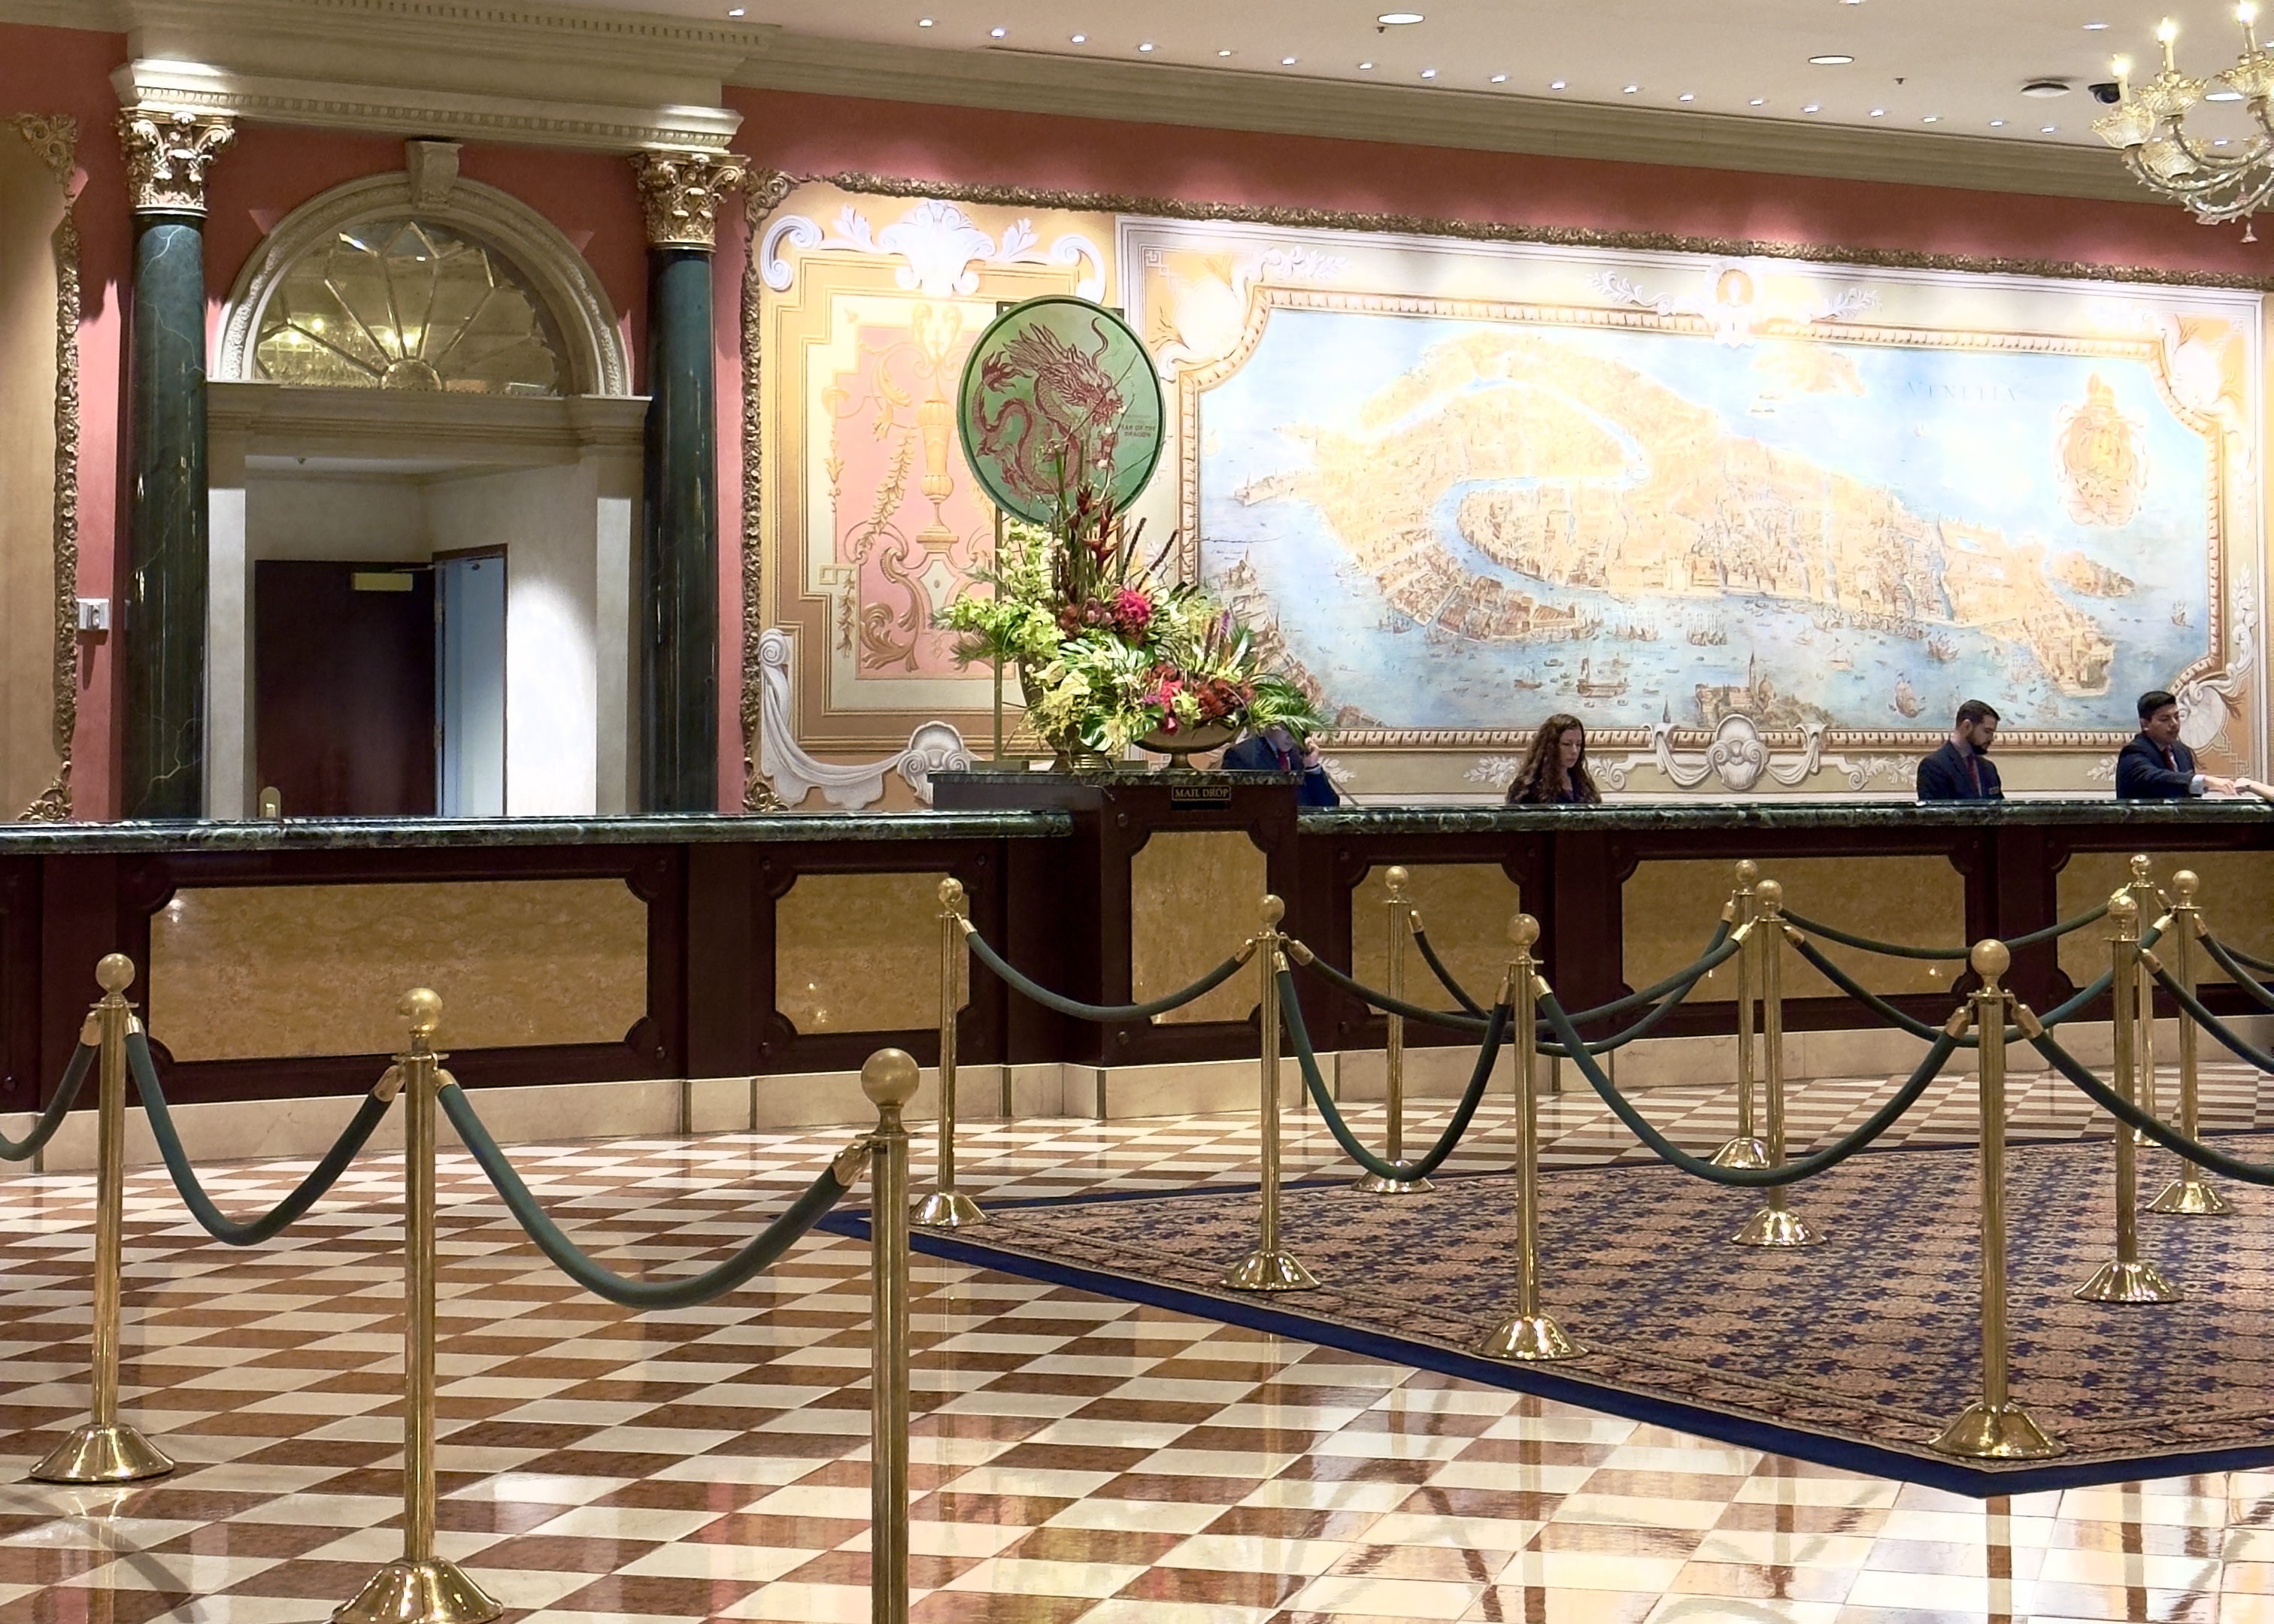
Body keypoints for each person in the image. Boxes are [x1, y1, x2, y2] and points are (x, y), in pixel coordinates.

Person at [2117, 689, 2237, 799]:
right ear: (2145, 725)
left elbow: (2190, 793)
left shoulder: (2181, 750)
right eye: (2165, 719)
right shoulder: (2134, 752)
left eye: (2177, 717)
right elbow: (2157, 780)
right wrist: (2205, 780)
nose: (2174, 724)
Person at [1223, 722, 1340, 807]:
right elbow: (1238, 810)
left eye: (1297, 729)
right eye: (1285, 728)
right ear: (1268, 724)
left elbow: (1330, 806)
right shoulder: (1242, 755)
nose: (1291, 736)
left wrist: (1312, 767)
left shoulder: (1300, 754)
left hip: (1304, 832)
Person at [1916, 699, 2004, 801]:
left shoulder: (1989, 768)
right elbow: (1936, 810)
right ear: (1966, 726)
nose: (1991, 739)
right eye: (1987, 731)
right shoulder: (1933, 766)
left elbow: (1999, 808)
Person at [1506, 714, 1602, 805]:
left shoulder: (1583, 785)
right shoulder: (1529, 788)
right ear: (1551, 747)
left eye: (1578, 744)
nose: (1575, 751)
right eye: (1567, 744)